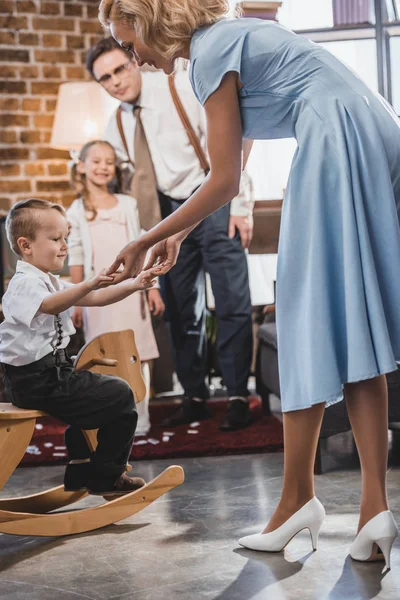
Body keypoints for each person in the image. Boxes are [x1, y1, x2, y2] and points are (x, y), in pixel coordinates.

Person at [98, 0, 400, 568]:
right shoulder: (228, 39)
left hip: (336, 137)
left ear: (148, 21)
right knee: (353, 319)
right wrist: (183, 235)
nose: (132, 54)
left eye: (128, 39)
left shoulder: (210, 52)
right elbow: (234, 160)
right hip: (371, 127)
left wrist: (143, 239)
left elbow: (224, 177)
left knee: (306, 312)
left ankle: (296, 502)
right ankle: (370, 509)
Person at [85, 36, 255, 431]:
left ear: (133, 62)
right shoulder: (117, 124)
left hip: (213, 197)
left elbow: (235, 143)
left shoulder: (179, 86)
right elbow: (131, 185)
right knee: (181, 309)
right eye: (105, 78)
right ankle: (194, 396)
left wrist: (242, 206)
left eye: (119, 70)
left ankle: (236, 396)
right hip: (168, 216)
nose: (115, 82)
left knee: (231, 301)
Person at [0, 198, 157, 496]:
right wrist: (87, 284)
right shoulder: (23, 284)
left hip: (51, 375)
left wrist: (135, 284)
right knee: (121, 396)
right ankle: (106, 476)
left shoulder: (48, 281)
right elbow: (49, 306)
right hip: (37, 380)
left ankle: (81, 467)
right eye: (56, 239)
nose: (64, 246)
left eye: (66, 239)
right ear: (26, 245)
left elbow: (96, 298)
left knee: (103, 398)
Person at [67, 139, 164, 436]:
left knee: (139, 353)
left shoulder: (128, 205)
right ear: (82, 167)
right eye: (96, 161)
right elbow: (77, 258)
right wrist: (77, 301)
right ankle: (109, 418)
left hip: (132, 293)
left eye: (108, 161)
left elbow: (145, 247)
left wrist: (153, 288)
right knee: (104, 352)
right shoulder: (76, 211)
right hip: (99, 298)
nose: (103, 167)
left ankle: (142, 419)